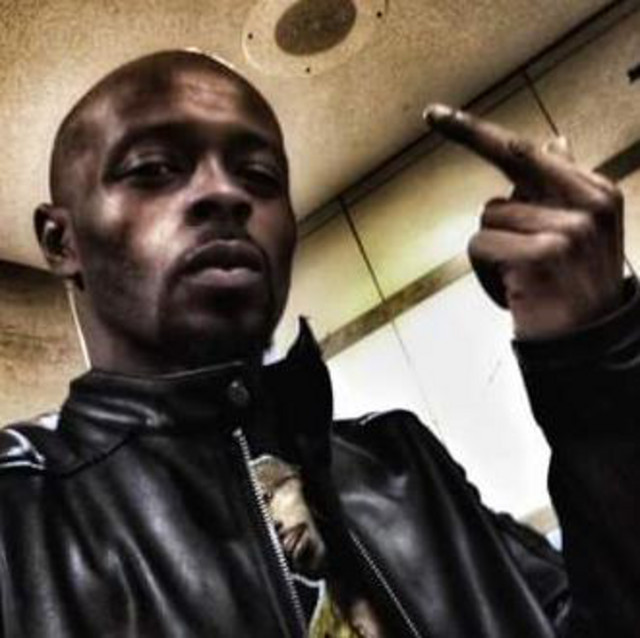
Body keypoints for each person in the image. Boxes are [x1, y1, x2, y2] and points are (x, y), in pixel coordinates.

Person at [0, 48, 636, 637]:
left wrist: (593, 359)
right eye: (154, 169)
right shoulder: (18, 513)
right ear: (61, 241)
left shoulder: (401, 465)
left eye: (259, 174)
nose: (225, 193)